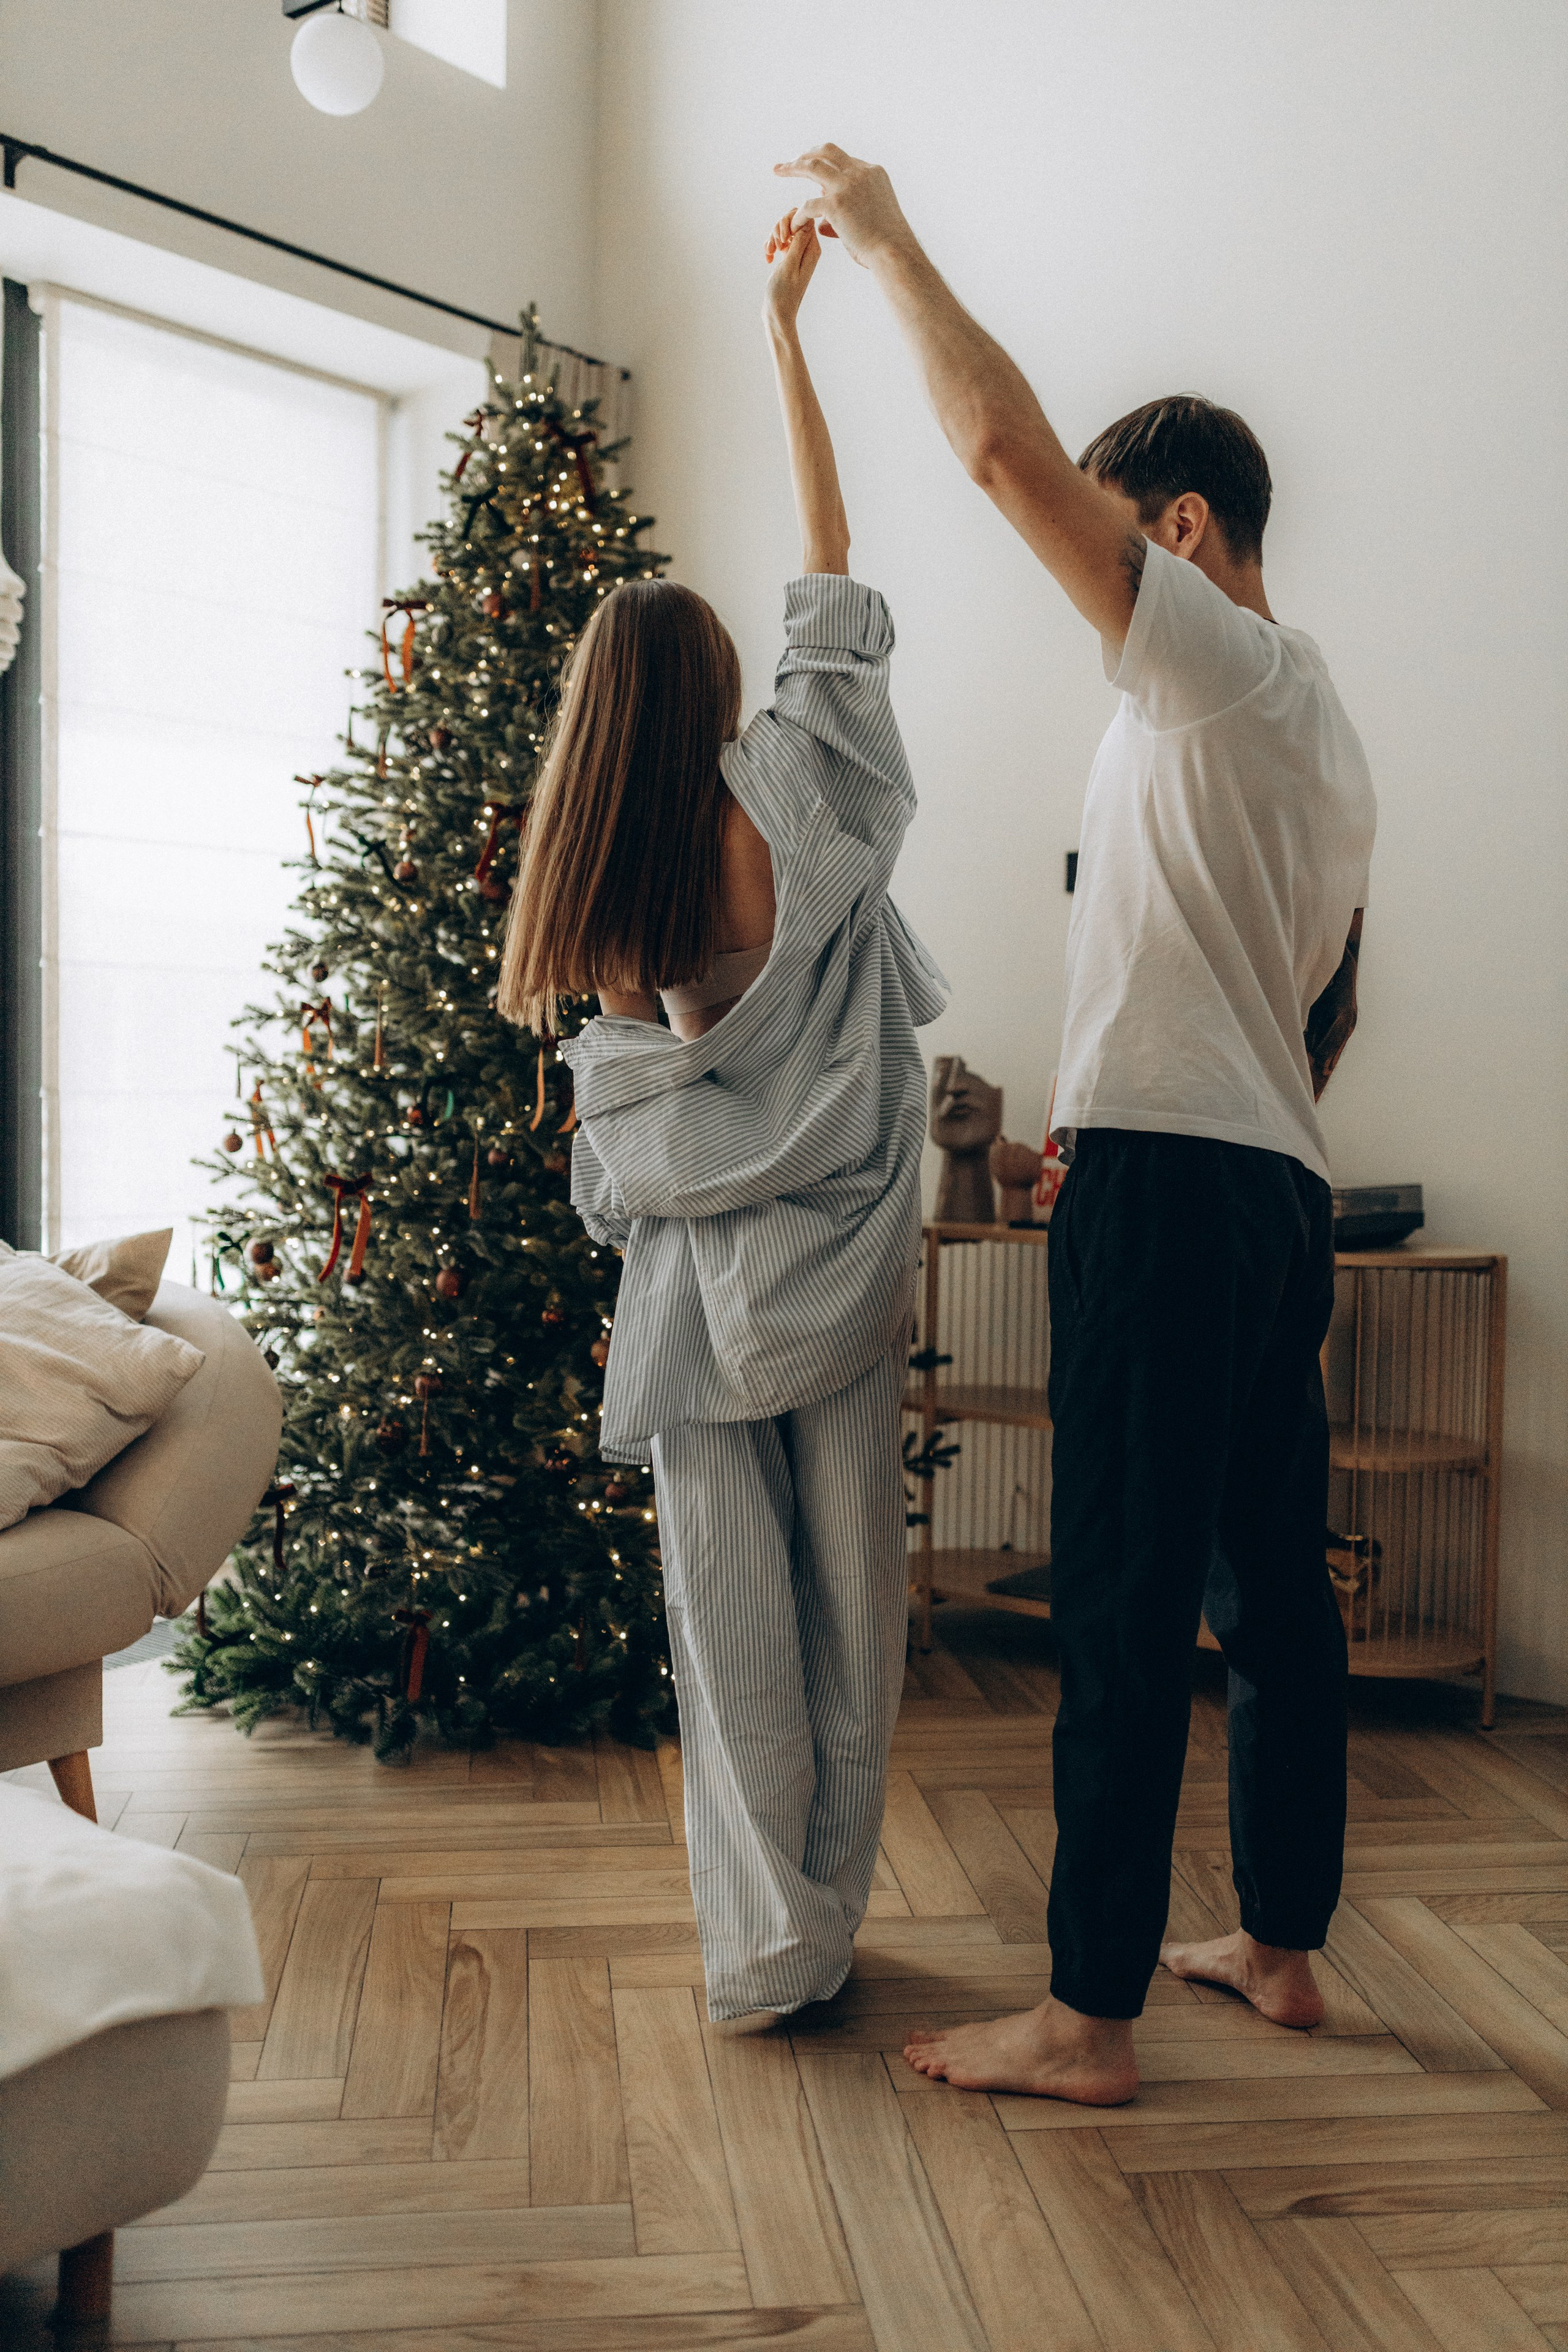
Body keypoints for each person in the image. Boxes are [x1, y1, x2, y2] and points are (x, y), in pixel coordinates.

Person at [772, 146, 1376, 2103]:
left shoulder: (1217, 663)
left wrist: (878, 237)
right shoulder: (1318, 737)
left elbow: (998, 448)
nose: (1091, 576)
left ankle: (1086, 2013)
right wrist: (1139, 1116)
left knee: (1115, 1586)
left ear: (1185, 527)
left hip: (1185, 1194)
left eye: (1125, 540)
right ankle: (1280, 1946)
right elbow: (1316, 1012)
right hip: (1264, 1186)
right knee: (1270, 1585)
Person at [496, 216, 946, 2024]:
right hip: (836, 1280)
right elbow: (830, 559)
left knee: (730, 1628)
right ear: (717, 689)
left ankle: (764, 1952)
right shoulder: (799, 795)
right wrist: (780, 326)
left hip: (700, 1306)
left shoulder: (608, 886)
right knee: (855, 1615)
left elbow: (632, 1127)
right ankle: (826, 1921)